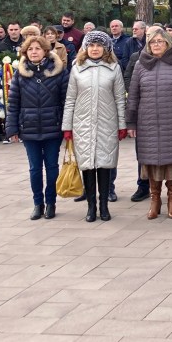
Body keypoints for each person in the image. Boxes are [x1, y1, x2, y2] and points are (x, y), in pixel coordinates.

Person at [126, 27, 172, 219]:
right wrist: (131, 122)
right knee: (152, 162)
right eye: (152, 42)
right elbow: (133, 95)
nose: (156, 45)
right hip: (147, 122)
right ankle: (155, 200)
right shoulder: (140, 64)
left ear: (167, 42)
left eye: (160, 41)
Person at [62, 31, 126, 222]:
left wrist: (121, 124)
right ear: (85, 48)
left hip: (107, 123)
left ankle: (104, 206)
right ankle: (91, 207)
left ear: (106, 48)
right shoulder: (77, 68)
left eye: (99, 45)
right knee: (88, 166)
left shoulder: (114, 68)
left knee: (105, 165)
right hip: (83, 124)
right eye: (91, 45)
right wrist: (67, 126)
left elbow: (120, 99)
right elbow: (70, 100)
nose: (95, 49)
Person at [6, 34, 70, 220]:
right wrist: (12, 128)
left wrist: (67, 126)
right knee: (34, 168)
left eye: (37, 48)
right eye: (30, 49)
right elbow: (13, 103)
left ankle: (51, 202)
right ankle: (37, 203)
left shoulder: (59, 72)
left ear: (45, 51)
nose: (34, 52)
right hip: (29, 127)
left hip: (53, 127)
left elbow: (67, 101)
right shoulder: (20, 73)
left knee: (51, 167)